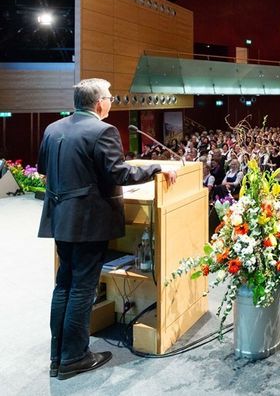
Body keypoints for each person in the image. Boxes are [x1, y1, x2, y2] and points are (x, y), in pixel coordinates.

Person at [38, 78, 176, 380]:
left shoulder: (52, 129)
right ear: (99, 102)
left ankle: (57, 357)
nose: (112, 101)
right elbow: (118, 172)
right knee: (82, 289)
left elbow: (43, 171)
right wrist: (155, 168)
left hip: (60, 219)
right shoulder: (103, 130)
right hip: (88, 221)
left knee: (64, 285)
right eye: (110, 97)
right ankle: (74, 358)